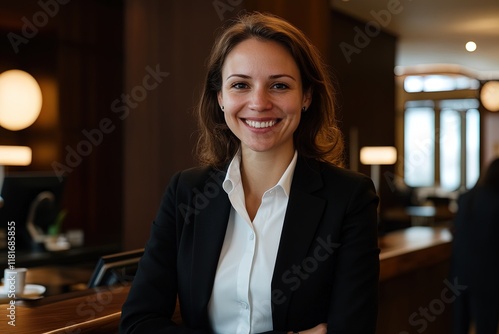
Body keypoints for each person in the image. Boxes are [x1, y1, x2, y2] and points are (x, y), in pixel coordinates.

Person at [120, 12, 379, 334]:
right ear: (220, 98)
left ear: (307, 97)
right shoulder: (186, 191)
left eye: (279, 85)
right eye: (240, 85)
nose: (258, 103)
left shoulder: (349, 198)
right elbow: (138, 323)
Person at [451, 157, 499, 334]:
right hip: (489, 275)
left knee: (460, 324)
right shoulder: (496, 201)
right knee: (486, 325)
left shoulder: (466, 197)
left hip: (460, 272)